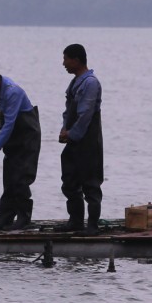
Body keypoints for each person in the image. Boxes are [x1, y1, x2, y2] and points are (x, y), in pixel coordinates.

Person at [0, 62, 41, 231]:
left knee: (21, 178)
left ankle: (24, 218)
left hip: (27, 136)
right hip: (13, 138)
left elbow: (9, 123)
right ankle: (5, 218)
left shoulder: (13, 92)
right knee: (9, 178)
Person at [56, 44, 104, 235]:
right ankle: (75, 221)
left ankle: (92, 226)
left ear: (76, 60)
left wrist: (72, 134)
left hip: (88, 142)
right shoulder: (76, 82)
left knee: (91, 183)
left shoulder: (90, 83)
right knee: (69, 180)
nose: (64, 63)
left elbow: (85, 114)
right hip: (74, 141)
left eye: (66, 59)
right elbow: (69, 111)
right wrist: (64, 129)